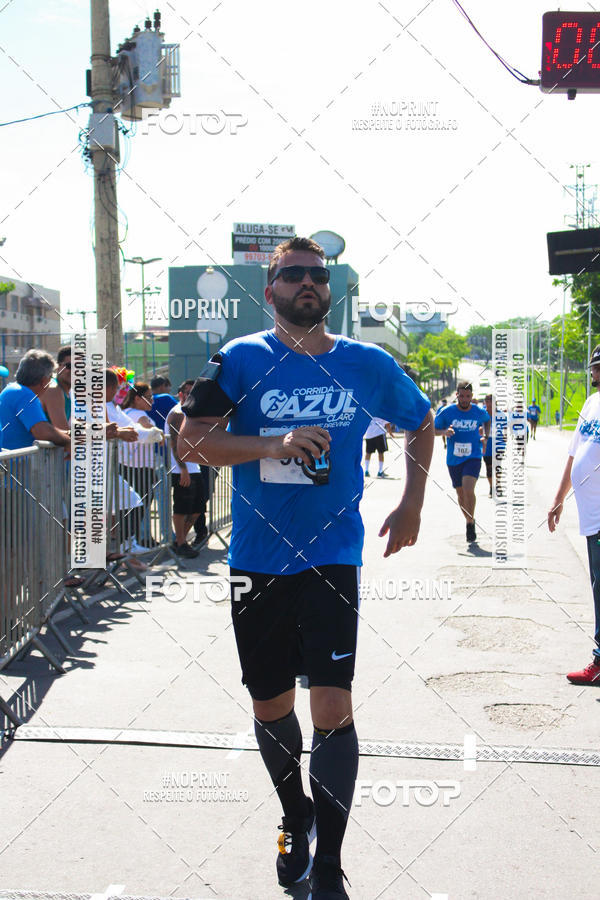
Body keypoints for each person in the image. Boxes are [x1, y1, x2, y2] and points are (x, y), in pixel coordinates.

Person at [179, 236, 434, 899]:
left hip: (332, 556)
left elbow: (422, 421)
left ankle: (328, 866)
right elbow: (194, 439)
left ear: (330, 289)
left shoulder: (367, 362)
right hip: (257, 561)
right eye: (291, 275)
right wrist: (275, 442)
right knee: (271, 705)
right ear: (271, 293)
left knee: (333, 709)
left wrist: (411, 504)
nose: (306, 284)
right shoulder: (239, 359)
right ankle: (296, 813)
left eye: (316, 275)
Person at [548, 344, 600, 685]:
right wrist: (559, 498)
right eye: (595, 367)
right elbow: (574, 454)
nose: (595, 373)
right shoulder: (592, 403)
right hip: (591, 516)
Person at [434, 380, 490, 543]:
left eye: (468, 396)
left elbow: (487, 420)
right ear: (457, 395)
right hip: (453, 459)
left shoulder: (478, 412)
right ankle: (469, 519)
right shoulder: (446, 412)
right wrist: (445, 431)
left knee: (468, 488)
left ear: (472, 396)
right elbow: (433, 430)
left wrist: (486, 436)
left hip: (473, 456)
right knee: (460, 494)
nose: (464, 399)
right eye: (462, 396)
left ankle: (470, 523)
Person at [165, 380, 206, 558]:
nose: (191, 396)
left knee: (198, 508)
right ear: (181, 394)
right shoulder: (177, 413)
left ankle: (179, 540)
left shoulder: (191, 412)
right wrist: (182, 469)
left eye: (193, 393)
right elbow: (174, 444)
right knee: (181, 508)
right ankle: (181, 542)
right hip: (181, 469)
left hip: (194, 466)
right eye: (187, 393)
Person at [0, 349, 70, 452]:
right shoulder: (25, 395)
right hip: (17, 465)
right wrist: (69, 442)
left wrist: (68, 435)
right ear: (43, 381)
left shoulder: (13, 389)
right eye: (50, 377)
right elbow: (43, 431)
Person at [120, 381, 163, 547]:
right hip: (139, 469)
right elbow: (150, 428)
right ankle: (131, 542)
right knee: (137, 507)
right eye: (148, 397)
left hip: (131, 466)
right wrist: (158, 433)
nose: (152, 401)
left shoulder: (126, 412)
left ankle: (132, 541)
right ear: (137, 398)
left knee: (131, 507)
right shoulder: (139, 415)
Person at [41, 345, 72, 430]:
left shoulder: (67, 391)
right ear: (58, 367)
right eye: (70, 366)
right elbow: (63, 432)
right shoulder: (53, 389)